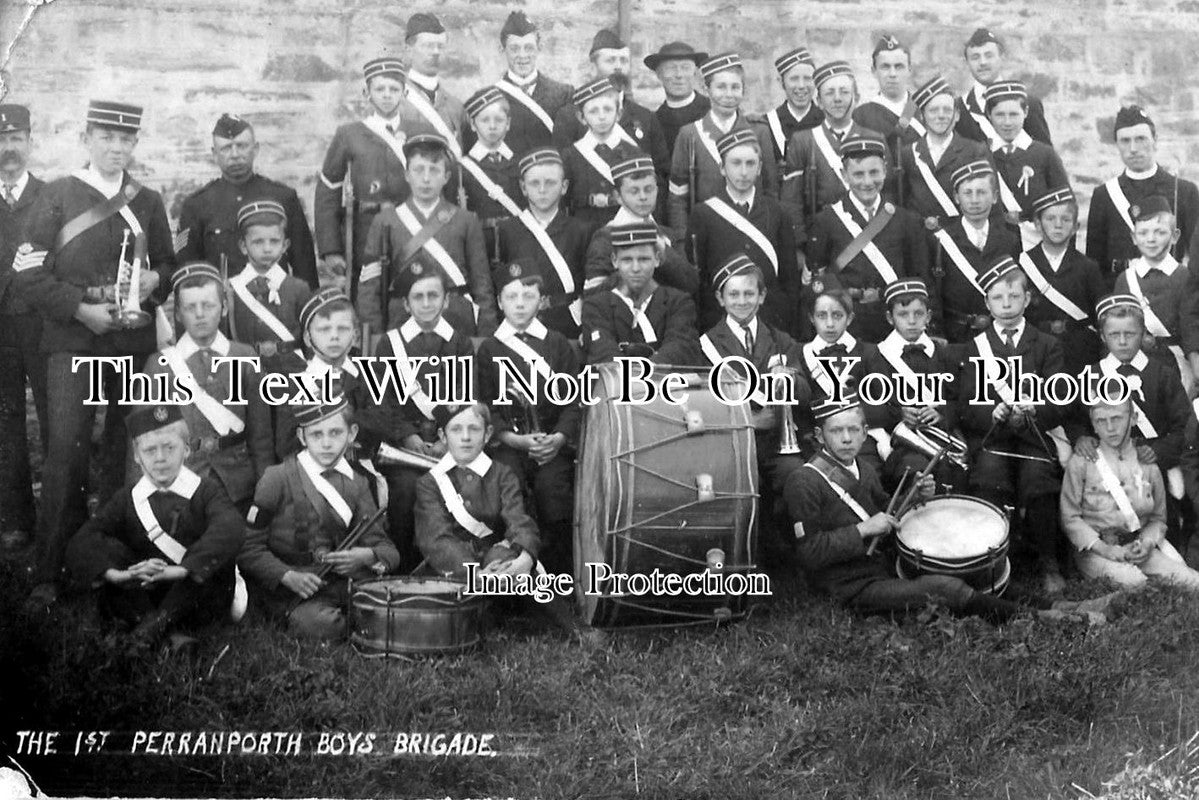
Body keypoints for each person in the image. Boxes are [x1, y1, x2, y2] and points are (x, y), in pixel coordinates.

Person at [15, 100, 176, 607]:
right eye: (106, 136)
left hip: (132, 343)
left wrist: (157, 280)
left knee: (122, 452)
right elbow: (28, 274)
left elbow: (169, 266)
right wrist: (80, 311)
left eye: (126, 140)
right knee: (66, 450)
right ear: (87, 137)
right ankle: (50, 567)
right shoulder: (58, 195)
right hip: (74, 343)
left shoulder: (146, 199)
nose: (116, 147)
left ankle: (113, 562)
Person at [784, 395, 1110, 623]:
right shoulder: (804, 480)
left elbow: (885, 510)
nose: (846, 439)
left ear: (863, 430)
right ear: (818, 436)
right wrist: (862, 530)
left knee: (970, 570)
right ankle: (1048, 619)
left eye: (853, 429)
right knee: (944, 588)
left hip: (884, 563)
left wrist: (912, 498)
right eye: (836, 431)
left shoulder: (862, 468)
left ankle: (1067, 605)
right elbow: (809, 553)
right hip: (851, 586)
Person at [65, 404, 245, 645]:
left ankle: (146, 632)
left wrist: (181, 570)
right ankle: (166, 634)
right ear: (137, 457)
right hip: (149, 593)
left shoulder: (205, 491)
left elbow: (231, 528)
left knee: (212, 563)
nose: (160, 458)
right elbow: (82, 541)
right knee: (104, 546)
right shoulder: (128, 498)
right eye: (150, 450)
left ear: (187, 450)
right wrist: (119, 574)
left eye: (170, 447)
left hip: (195, 595)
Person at [239, 399, 399, 641]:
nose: (326, 443)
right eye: (316, 435)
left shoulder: (358, 483)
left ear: (351, 433)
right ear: (302, 437)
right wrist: (286, 575)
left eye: (335, 433)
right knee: (322, 625)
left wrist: (365, 556)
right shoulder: (277, 478)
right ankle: (358, 623)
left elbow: (387, 549)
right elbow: (248, 548)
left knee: (392, 608)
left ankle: (363, 620)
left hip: (339, 583)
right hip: (289, 588)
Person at [958, 257, 1068, 593]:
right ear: (986, 302)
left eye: (1014, 297)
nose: (1006, 305)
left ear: (1027, 299)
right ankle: (992, 561)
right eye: (998, 298)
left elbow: (1060, 397)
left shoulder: (1047, 344)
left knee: (1038, 479)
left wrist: (1034, 409)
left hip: (1034, 435)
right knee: (990, 476)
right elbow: (966, 404)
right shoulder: (974, 347)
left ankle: (1048, 561)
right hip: (994, 436)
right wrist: (993, 412)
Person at [697, 254, 809, 559]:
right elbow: (705, 400)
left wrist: (790, 380)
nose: (742, 301)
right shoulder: (707, 344)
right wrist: (748, 420)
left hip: (776, 444)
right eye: (733, 294)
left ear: (761, 297)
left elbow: (804, 391)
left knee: (795, 474)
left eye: (749, 293)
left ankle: (797, 551)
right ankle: (749, 554)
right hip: (731, 443)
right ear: (720, 298)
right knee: (745, 481)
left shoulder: (780, 339)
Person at [142, 262, 274, 514]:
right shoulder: (160, 366)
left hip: (238, 485)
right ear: (178, 314)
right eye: (190, 308)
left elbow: (261, 436)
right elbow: (145, 438)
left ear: (224, 309)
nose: (200, 314)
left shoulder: (244, 358)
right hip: (183, 483)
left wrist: (264, 494)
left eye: (209, 305)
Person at [476, 266, 580, 574]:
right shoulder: (490, 349)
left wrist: (559, 438)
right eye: (512, 296)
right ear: (499, 301)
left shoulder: (557, 344)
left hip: (551, 444)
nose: (520, 304)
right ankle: (510, 567)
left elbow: (573, 401)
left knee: (553, 492)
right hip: (510, 444)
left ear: (542, 301)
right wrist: (512, 439)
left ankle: (559, 574)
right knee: (508, 486)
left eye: (528, 296)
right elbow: (486, 407)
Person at [1072, 294, 1193, 552]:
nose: (1123, 341)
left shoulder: (1162, 373)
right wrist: (1081, 437)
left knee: (1166, 501)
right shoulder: (1091, 374)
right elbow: (1074, 417)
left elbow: (1183, 424)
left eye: (1131, 333)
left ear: (1143, 334)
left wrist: (1159, 451)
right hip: (1105, 458)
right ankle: (1101, 548)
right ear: (1103, 337)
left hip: (1151, 456)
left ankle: (1166, 548)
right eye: (1114, 335)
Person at [372, 261, 472, 566]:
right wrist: (409, 435)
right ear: (406, 303)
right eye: (418, 297)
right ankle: (402, 568)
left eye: (433, 295)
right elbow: (383, 402)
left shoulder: (459, 341)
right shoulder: (390, 343)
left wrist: (447, 439)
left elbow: (466, 398)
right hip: (405, 449)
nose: (426, 303)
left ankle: (452, 567)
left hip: (449, 445)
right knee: (404, 490)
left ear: (446, 300)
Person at [356, 134, 495, 338]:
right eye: (419, 170)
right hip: (402, 318)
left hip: (456, 319)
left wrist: (485, 333)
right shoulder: (385, 221)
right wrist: (374, 336)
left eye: (434, 170)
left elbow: (481, 284)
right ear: (407, 175)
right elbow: (370, 289)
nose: (426, 178)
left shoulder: (466, 220)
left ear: (446, 177)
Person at [1061, 396, 1199, 590]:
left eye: (1117, 418)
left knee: (1193, 582)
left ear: (1133, 418)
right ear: (1093, 424)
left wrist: (1148, 543)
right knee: (1137, 585)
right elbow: (1070, 518)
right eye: (1101, 420)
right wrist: (1106, 550)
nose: (1110, 428)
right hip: (1097, 550)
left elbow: (1158, 519)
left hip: (1138, 545)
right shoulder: (1081, 463)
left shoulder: (1146, 461)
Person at [805, 135, 933, 343]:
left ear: (885, 170)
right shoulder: (825, 221)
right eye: (858, 174)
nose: (867, 182)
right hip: (847, 326)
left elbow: (920, 278)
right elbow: (819, 282)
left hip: (894, 326)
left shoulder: (906, 220)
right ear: (844, 175)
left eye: (874, 172)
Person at [177, 114, 317, 288]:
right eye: (226, 148)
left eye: (242, 146)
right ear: (214, 154)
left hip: (275, 308)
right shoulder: (197, 206)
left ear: (255, 149)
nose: (235, 154)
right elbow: (187, 272)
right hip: (222, 307)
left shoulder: (284, 198)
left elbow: (305, 267)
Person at [686, 129, 800, 336]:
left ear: (759, 168)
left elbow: (789, 278)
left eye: (750, 164)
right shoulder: (703, 214)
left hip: (770, 321)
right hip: (719, 323)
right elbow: (698, 280)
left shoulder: (777, 212)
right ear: (722, 168)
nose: (744, 172)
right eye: (736, 163)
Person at [314, 57, 413, 297]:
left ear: (405, 92)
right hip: (364, 231)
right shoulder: (349, 135)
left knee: (409, 286)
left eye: (394, 89)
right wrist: (331, 248)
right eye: (379, 89)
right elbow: (328, 191)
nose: (387, 95)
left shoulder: (417, 132)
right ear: (366, 92)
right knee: (366, 293)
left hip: (410, 225)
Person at [862, 279, 964, 490]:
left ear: (928, 316)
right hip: (899, 442)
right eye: (903, 314)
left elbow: (959, 398)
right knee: (917, 471)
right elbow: (864, 405)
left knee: (953, 472)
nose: (911, 321)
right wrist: (897, 414)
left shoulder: (944, 353)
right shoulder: (875, 356)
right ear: (890, 318)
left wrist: (942, 412)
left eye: (918, 314)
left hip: (941, 436)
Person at [0, 103, 47, 550]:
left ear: (30, 143)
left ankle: (58, 515)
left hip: (42, 326)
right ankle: (15, 519)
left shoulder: (52, 198)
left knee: (55, 418)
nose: (7, 148)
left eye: (15, 139)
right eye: (1, 140)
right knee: (6, 422)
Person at [666, 52, 777, 236]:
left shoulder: (759, 132)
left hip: (752, 232)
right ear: (706, 89)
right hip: (706, 234)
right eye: (721, 87)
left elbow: (771, 190)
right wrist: (682, 241)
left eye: (735, 87)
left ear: (743, 90)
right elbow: (677, 199)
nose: (729, 95)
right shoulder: (690, 135)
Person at [1087, 105, 1199, 281]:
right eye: (1125, 140)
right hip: (1122, 295)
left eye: (1140, 139)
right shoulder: (1104, 195)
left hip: (1173, 295)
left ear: (1155, 140)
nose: (1133, 148)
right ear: (1117, 144)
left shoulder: (1184, 191)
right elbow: (1094, 264)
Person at [552, 28, 670, 191]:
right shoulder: (569, 117)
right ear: (593, 66)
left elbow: (661, 175)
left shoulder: (645, 118)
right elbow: (560, 175)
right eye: (611, 60)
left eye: (623, 60)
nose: (618, 67)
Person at [494, 148, 591, 340]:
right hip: (521, 324)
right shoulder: (508, 230)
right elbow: (499, 283)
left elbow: (588, 286)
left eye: (550, 183)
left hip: (568, 324)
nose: (542, 189)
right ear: (523, 187)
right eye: (534, 183)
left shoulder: (581, 230)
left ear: (564, 187)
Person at [581, 221, 699, 365]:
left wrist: (648, 372)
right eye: (627, 260)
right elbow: (602, 352)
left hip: (665, 384)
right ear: (614, 261)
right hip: (617, 385)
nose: (635, 268)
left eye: (643, 259)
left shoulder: (678, 303)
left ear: (657, 259)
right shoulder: (596, 306)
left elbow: (680, 347)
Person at [781, 61, 882, 226]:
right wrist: (799, 245)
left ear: (856, 98)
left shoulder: (874, 138)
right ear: (819, 101)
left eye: (844, 92)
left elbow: (888, 193)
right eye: (829, 93)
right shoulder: (803, 140)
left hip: (866, 231)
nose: (837, 99)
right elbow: (791, 201)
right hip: (819, 232)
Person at [583, 154, 698, 297]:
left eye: (649, 189)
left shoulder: (667, 235)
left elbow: (691, 285)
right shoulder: (605, 238)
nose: (643, 197)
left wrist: (664, 253)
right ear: (618, 196)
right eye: (634, 191)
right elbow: (593, 297)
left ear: (657, 190)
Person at [931, 160, 1021, 343]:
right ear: (956, 197)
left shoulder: (1009, 238)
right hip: (956, 334)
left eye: (981, 192)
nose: (974, 200)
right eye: (967, 193)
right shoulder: (940, 239)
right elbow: (933, 292)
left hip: (1000, 333)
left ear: (995, 196)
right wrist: (938, 333)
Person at [796, 288, 885, 473]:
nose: (829, 324)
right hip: (818, 440)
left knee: (869, 473)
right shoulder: (800, 354)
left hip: (859, 440)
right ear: (812, 318)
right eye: (821, 315)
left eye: (837, 315)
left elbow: (883, 405)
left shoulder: (868, 353)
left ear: (850, 318)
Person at [1019, 188, 1105, 377]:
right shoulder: (1023, 265)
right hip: (1035, 351)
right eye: (1050, 219)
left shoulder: (1088, 267)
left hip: (1079, 354)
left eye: (1066, 220)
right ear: (1038, 224)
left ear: (1075, 227)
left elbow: (1099, 318)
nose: (1058, 225)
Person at [1112, 195, 1193, 394]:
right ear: (1133, 237)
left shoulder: (1186, 278)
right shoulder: (1126, 279)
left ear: (1175, 236)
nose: (1151, 239)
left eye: (1160, 232)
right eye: (1143, 233)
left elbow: (1192, 334)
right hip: (1134, 369)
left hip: (1177, 369)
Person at [225, 201, 314, 363]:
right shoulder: (231, 289)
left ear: (285, 245)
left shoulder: (298, 288)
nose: (267, 249)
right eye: (258, 242)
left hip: (292, 374)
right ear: (243, 246)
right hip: (247, 373)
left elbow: (310, 339)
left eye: (274, 241)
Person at [985, 81, 1070, 250]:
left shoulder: (1045, 154)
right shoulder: (982, 154)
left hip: (1039, 244)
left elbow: (1066, 206)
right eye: (1000, 115)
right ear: (989, 115)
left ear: (1025, 112)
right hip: (997, 246)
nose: (1007, 122)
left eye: (1014, 114)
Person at [898, 75, 991, 227]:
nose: (941, 116)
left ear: (957, 115)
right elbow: (901, 199)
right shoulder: (908, 153)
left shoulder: (976, 151)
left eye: (947, 110)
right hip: (918, 239)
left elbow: (988, 201)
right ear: (922, 116)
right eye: (933, 110)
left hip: (959, 240)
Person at [485, 11, 574, 157]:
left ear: (539, 47)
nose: (522, 55)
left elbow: (569, 149)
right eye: (514, 49)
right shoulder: (491, 98)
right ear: (502, 49)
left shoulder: (564, 94)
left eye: (529, 48)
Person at [561, 77, 645, 231]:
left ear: (618, 114)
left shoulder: (634, 153)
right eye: (593, 111)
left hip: (624, 227)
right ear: (581, 117)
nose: (601, 116)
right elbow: (563, 200)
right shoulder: (571, 156)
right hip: (583, 230)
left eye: (607, 109)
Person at [459, 86, 523, 262]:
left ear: (508, 123)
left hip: (517, 243)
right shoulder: (462, 168)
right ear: (473, 124)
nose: (492, 126)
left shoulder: (520, 163)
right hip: (480, 246)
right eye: (485, 120)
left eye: (499, 120)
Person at [956, 28, 1052, 146]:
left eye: (989, 55)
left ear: (1002, 57)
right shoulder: (958, 108)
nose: (982, 63)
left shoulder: (1028, 103)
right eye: (975, 57)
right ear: (967, 62)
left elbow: (1045, 156)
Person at [400, 12, 467, 154]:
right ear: (408, 49)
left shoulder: (455, 107)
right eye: (428, 46)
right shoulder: (396, 100)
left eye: (440, 46)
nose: (436, 52)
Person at [853, 36, 924, 164]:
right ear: (874, 71)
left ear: (909, 70)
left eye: (899, 67)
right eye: (885, 67)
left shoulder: (924, 110)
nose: (892, 74)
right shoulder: (861, 116)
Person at [645, 41, 710, 156]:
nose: (679, 75)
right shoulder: (655, 121)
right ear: (659, 74)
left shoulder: (712, 111)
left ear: (695, 72)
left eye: (685, 68)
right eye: (671, 68)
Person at [765, 46, 824, 166]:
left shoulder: (826, 121)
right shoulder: (767, 125)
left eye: (808, 78)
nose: (801, 85)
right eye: (794, 79)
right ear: (781, 82)